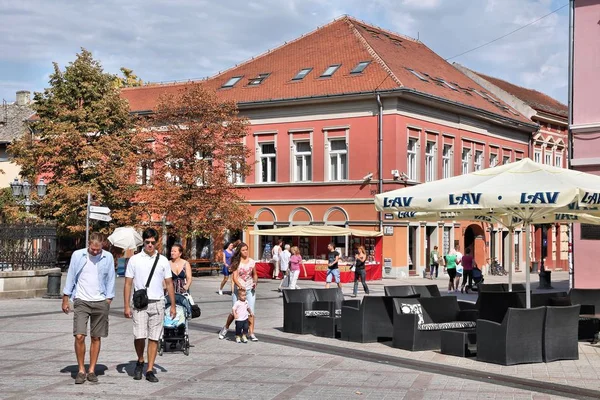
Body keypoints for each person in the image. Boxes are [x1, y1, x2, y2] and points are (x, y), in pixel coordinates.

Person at [62, 232, 115, 384]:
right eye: (93, 249)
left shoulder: (108, 257)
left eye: (98, 250)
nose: (95, 252)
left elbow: (111, 277)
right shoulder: (78, 255)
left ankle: (91, 370)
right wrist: (65, 298)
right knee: (79, 336)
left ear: (102, 246)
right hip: (81, 300)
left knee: (96, 337)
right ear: (88, 244)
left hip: (100, 301)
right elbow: (71, 276)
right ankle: (81, 370)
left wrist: (108, 299)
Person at [124, 228, 176, 383]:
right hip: (140, 303)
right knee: (139, 335)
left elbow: (169, 283)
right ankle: (140, 360)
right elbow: (127, 284)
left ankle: (149, 369)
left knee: (154, 338)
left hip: (158, 302)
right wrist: (126, 306)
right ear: (143, 242)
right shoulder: (134, 259)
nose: (150, 245)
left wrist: (173, 304)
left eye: (153, 242)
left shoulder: (163, 260)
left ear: (157, 242)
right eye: (147, 242)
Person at [218, 242, 259, 341]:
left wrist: (255, 282)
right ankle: (226, 327)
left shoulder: (252, 262)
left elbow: (255, 274)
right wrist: (240, 286)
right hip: (239, 290)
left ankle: (251, 333)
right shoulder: (237, 262)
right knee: (234, 311)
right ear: (239, 252)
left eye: (246, 250)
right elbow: (235, 278)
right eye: (243, 250)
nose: (245, 252)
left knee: (251, 312)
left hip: (250, 289)